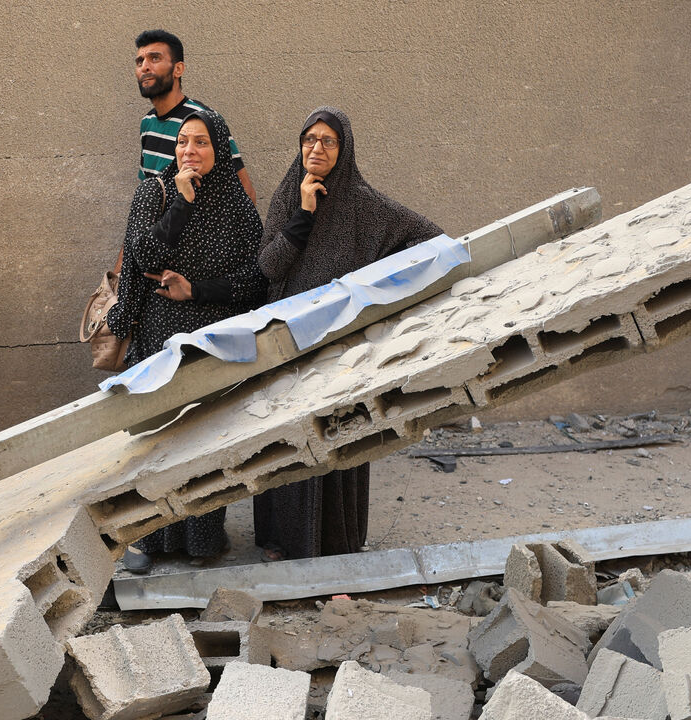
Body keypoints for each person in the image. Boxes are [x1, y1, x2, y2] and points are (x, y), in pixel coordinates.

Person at [255, 106, 444, 560]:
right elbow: (268, 267)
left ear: (344, 149)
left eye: (328, 141)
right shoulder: (287, 197)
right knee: (289, 440)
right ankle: (284, 539)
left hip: (343, 347)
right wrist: (303, 214)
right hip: (290, 343)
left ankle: (336, 542)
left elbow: (431, 240)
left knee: (338, 437)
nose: (316, 148)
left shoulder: (364, 204)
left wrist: (378, 299)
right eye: (309, 139)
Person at [107, 110, 266, 573]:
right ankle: (151, 538)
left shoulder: (236, 206)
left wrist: (196, 289)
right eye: (182, 143)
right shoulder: (153, 192)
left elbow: (254, 280)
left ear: (219, 150)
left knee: (204, 435)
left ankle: (201, 540)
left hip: (212, 336)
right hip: (160, 333)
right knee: (160, 437)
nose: (189, 152)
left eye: (200, 143)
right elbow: (143, 256)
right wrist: (181, 203)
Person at [134, 30, 256, 205]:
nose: (145, 67)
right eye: (140, 61)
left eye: (155, 58)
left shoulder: (205, 121)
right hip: (158, 230)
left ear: (178, 69)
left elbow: (245, 192)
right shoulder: (147, 123)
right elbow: (147, 187)